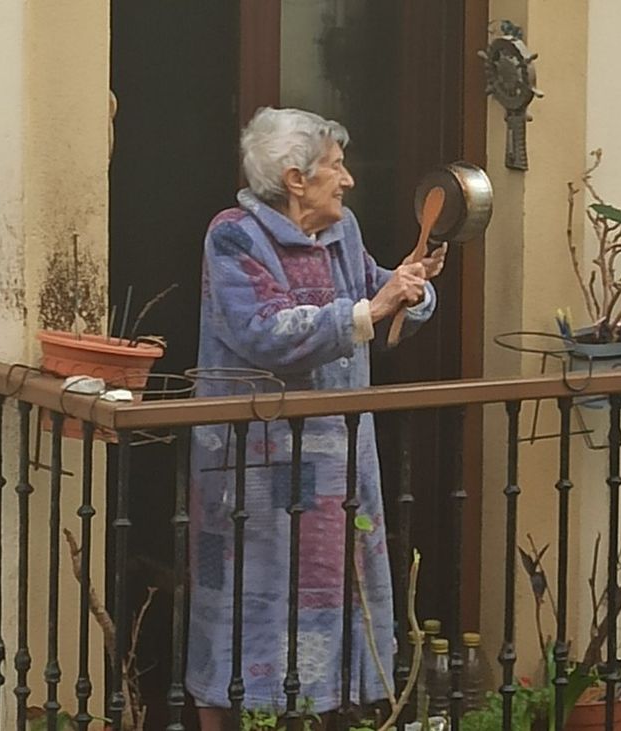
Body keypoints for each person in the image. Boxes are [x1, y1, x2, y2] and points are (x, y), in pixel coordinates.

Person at [187, 107, 446, 728]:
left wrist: (412, 286)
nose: (348, 179)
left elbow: (373, 291)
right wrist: (372, 309)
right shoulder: (234, 236)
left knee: (335, 610)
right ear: (295, 178)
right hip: (253, 470)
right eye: (336, 166)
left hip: (339, 469)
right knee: (245, 617)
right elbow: (265, 333)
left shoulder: (344, 231)